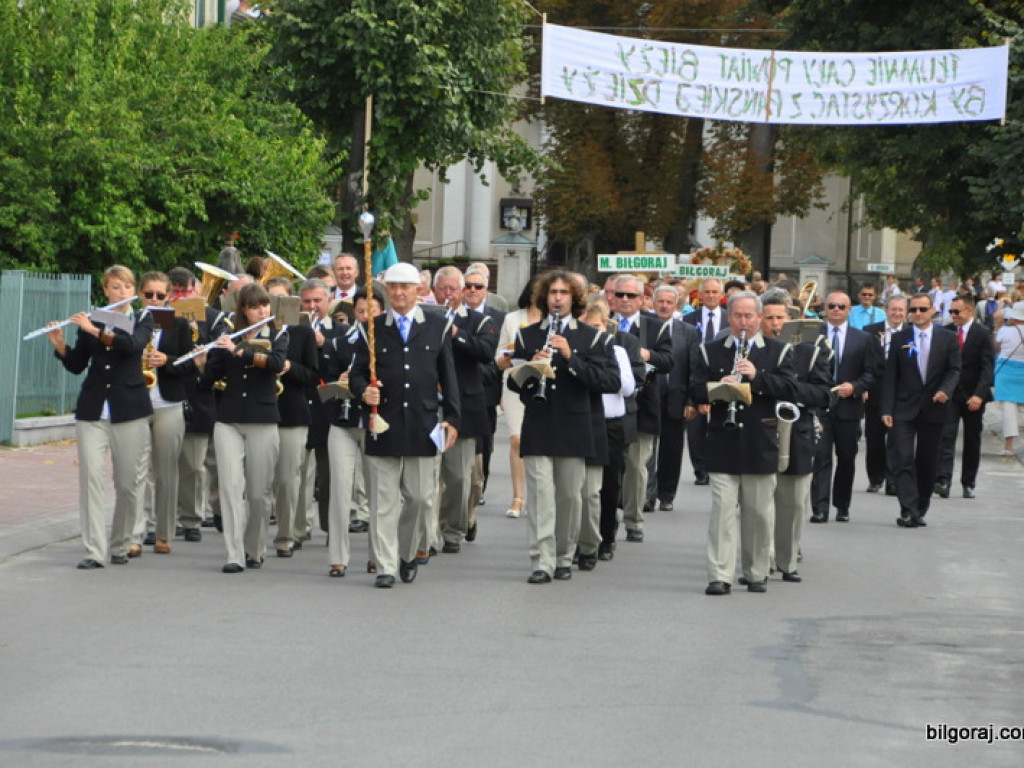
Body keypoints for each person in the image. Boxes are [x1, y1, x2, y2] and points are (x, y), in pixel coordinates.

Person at [349, 262, 461, 588]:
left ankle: (408, 552)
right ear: (386, 291)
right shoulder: (373, 327)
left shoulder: (437, 326)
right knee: (383, 502)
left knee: (419, 499)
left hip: (423, 424)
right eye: (393, 287)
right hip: (382, 422)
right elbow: (357, 373)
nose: (398, 293)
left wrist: (452, 419)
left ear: (418, 291)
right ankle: (385, 565)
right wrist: (362, 391)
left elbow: (448, 377)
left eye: (405, 287)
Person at [509, 271, 618, 583]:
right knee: (541, 496)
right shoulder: (527, 335)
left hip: (575, 425)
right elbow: (517, 385)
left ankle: (563, 556)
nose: (558, 298)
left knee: (570, 497)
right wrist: (532, 367)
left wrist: (572, 358)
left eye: (564, 293)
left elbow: (607, 381)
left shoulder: (593, 337)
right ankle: (541, 561)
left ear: (574, 298)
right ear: (544, 297)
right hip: (540, 422)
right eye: (553, 292)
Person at [691, 291, 797, 595]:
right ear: (729, 317)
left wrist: (757, 377)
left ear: (760, 318)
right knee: (722, 512)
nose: (743, 322)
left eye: (749, 316)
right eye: (737, 315)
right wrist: (717, 388)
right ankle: (719, 575)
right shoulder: (709, 351)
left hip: (759, 439)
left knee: (758, 513)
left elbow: (790, 388)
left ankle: (755, 572)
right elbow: (695, 390)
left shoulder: (778, 351)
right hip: (723, 440)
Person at [47, 266, 153, 570]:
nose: (122, 293)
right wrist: (59, 344)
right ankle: (94, 550)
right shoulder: (93, 316)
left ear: (134, 291)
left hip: (129, 410)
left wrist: (95, 330)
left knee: (127, 484)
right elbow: (78, 364)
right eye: (116, 287)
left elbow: (131, 346)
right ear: (106, 290)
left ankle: (120, 544)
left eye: (127, 287)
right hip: (93, 410)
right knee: (91, 478)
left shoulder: (143, 318)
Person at [200, 283, 288, 572]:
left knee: (259, 493)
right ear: (243, 311)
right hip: (229, 419)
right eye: (255, 306)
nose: (262, 310)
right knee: (229, 486)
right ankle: (233, 554)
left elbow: (275, 364)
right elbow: (209, 379)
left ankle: (255, 548)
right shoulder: (227, 335)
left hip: (263, 419)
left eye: (265, 305)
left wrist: (240, 351)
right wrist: (202, 361)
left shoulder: (278, 334)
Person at [760, 290, 832, 583]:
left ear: (791, 320)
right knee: (761, 503)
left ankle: (788, 561)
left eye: (781, 318)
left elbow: (824, 395)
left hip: (798, 432)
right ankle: (761, 560)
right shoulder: (753, 349)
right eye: (769, 318)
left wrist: (785, 389)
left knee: (793, 503)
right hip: (761, 431)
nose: (775, 324)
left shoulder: (812, 352)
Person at [429, 266, 498, 554]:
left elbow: (486, 351)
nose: (448, 294)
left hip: (464, 407)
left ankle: (454, 530)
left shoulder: (478, 321)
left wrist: (455, 332)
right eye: (442, 289)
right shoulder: (424, 319)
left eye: (453, 290)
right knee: (429, 476)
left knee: (459, 477)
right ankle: (428, 534)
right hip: (429, 405)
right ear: (434, 292)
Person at [881, 293, 960, 528]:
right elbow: (890, 376)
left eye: (922, 309)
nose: (917, 313)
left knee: (927, 461)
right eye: (913, 309)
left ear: (933, 310)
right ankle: (907, 509)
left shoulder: (948, 338)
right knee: (903, 458)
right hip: (904, 408)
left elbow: (954, 370)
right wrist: (886, 409)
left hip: (934, 408)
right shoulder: (900, 338)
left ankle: (920, 506)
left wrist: (946, 390)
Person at [132, 272, 193, 555]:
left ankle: (164, 532)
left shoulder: (179, 324)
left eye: (160, 295)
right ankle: (135, 532)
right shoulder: (130, 321)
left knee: (166, 472)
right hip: (135, 401)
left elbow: (189, 365)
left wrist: (167, 360)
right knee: (136, 471)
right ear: (140, 295)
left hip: (168, 403)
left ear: (168, 296)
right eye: (149, 295)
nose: (154, 300)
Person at [612, 274, 672, 542]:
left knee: (636, 466)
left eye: (631, 295)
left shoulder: (654, 327)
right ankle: (603, 518)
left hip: (643, 406)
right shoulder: (602, 324)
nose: (625, 300)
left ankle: (634, 521)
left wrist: (644, 354)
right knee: (609, 465)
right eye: (620, 295)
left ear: (642, 299)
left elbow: (669, 360)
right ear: (612, 296)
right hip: (609, 405)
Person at [577, 302, 637, 571]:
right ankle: (580, 538)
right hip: (581, 421)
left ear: (607, 329)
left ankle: (606, 538)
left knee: (608, 484)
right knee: (580, 486)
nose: (594, 332)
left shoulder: (617, 351)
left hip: (610, 423)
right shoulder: (576, 351)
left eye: (598, 327)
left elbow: (627, 387)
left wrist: (603, 369)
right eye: (588, 328)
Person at [810, 291, 879, 523]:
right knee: (820, 457)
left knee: (846, 458)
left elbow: (872, 373)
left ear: (850, 309)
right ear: (825, 308)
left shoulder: (863, 338)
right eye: (832, 306)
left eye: (841, 306)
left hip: (849, 407)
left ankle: (842, 505)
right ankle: (819, 507)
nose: (836, 309)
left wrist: (855, 387)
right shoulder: (813, 335)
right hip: (820, 406)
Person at [263, 281, 319, 559]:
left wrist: (289, 367)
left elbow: (312, 375)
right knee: (258, 482)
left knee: (287, 479)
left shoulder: (303, 333)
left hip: (292, 413)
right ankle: (254, 537)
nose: (275, 305)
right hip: (258, 412)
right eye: (269, 300)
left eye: (282, 299)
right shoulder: (256, 331)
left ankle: (286, 536)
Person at [494, 275, 543, 519]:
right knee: (517, 440)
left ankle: (539, 496)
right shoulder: (512, 319)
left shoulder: (552, 320)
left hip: (545, 384)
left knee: (541, 442)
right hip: (515, 382)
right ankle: (518, 497)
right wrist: (510, 354)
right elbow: (499, 358)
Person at [935, 294, 993, 499]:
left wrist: (980, 395)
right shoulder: (947, 332)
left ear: (969, 311)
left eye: (956, 312)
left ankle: (968, 482)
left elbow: (987, 369)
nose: (953, 315)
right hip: (950, 394)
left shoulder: (983, 334)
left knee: (972, 440)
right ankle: (943, 479)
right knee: (946, 436)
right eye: (950, 311)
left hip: (973, 396)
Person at [649, 285, 700, 511]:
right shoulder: (644, 328)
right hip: (648, 397)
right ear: (653, 303)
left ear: (676, 305)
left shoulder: (687, 332)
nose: (664, 306)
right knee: (646, 450)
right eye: (660, 301)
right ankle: (647, 494)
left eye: (669, 302)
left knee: (671, 449)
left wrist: (692, 401)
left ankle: (666, 494)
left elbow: (694, 368)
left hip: (676, 398)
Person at [862, 294, 908, 495]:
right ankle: (875, 478)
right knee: (874, 437)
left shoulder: (911, 333)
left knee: (897, 439)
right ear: (886, 310)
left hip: (902, 393)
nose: (897, 313)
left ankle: (893, 479)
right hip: (875, 390)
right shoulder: (870, 332)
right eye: (893, 309)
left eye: (900, 310)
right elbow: (863, 362)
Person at [684, 278, 725, 485]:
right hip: (695, 376)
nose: (710, 295)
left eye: (714, 292)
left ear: (721, 295)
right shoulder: (689, 320)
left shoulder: (729, 318)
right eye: (706, 292)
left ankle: (718, 464)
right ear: (699, 295)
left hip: (722, 377)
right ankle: (700, 469)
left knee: (721, 425)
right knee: (696, 428)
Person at [992, 302, 1024, 456]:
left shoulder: (1005, 331)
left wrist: (997, 326)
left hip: (1005, 372)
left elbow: (995, 348)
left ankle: (1009, 447)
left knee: (1008, 410)